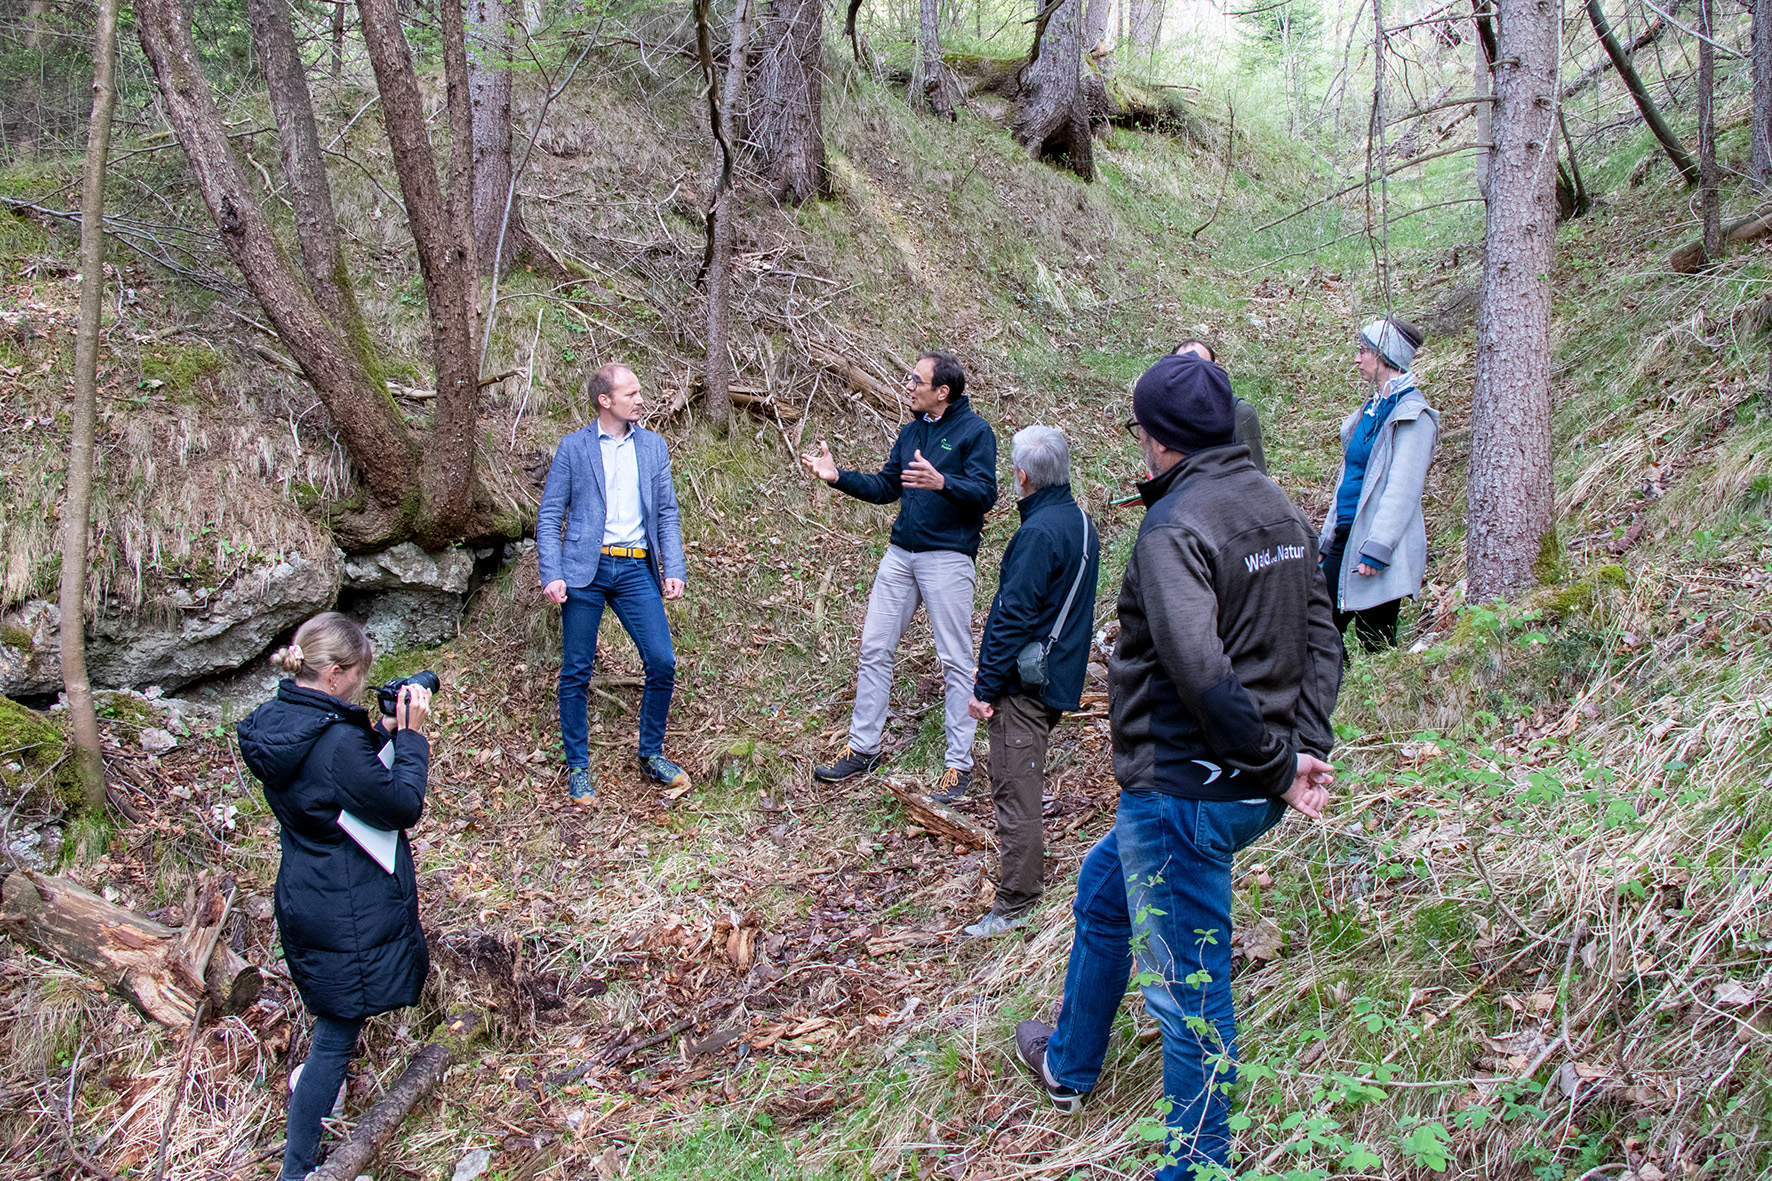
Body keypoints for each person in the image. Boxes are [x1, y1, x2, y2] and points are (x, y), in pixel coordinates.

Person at [1012, 353, 1342, 1177]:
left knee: (1190, 995)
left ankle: (1196, 1165)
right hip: (1239, 787)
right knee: (1101, 891)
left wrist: (1277, 764)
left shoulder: (1175, 528)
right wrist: (1304, 749)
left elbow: (1201, 672)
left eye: (1138, 430)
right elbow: (1325, 638)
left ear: (1158, 439)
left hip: (1187, 796)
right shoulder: (1277, 506)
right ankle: (1069, 1059)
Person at [235, 613, 433, 1181]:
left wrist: (381, 736)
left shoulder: (278, 723)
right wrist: (413, 741)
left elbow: (333, 786)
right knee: (334, 1039)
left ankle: (312, 1099)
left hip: (307, 891)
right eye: (359, 674)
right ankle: (297, 1170)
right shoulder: (335, 743)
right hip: (345, 907)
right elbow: (400, 805)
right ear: (338, 675)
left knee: (331, 1021)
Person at [801, 351, 998, 801]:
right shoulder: (911, 431)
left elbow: (985, 494)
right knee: (874, 649)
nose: (908, 385)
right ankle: (864, 747)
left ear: (942, 391)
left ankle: (957, 765)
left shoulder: (974, 431)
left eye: (916, 380)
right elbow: (888, 486)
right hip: (900, 556)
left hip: (947, 559)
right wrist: (837, 477)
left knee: (953, 660)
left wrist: (944, 483)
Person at [963, 425, 1100, 938]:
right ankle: (1019, 896)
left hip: (1025, 686)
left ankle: (1016, 903)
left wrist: (984, 687)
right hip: (1055, 675)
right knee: (1019, 786)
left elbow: (1013, 614)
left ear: (1021, 476)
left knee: (1015, 791)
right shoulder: (1080, 521)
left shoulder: (1039, 532)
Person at [537, 362, 690, 801]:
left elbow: (666, 513)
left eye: (639, 392)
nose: (641, 400)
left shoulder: (654, 447)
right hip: (584, 572)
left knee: (661, 662)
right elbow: (549, 517)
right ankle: (579, 767)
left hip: (636, 569)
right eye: (631, 394)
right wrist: (553, 573)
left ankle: (651, 754)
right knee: (576, 672)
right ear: (605, 401)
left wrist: (673, 568)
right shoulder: (573, 448)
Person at [1319, 317, 1439, 654]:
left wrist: (1378, 548)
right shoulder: (1370, 411)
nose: (1357, 359)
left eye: (1363, 351)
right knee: (1316, 627)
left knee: (1375, 643)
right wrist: (1327, 536)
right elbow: (1348, 477)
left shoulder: (1413, 416)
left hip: (1375, 546)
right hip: (1345, 538)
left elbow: (1403, 489)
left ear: (1384, 356)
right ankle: (1332, 695)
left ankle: (1373, 703)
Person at [1172, 338, 1266, 475]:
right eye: (1184, 368)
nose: (1193, 375)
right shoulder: (1169, 417)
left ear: (1215, 368)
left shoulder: (1240, 413)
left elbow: (1258, 480)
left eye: (1201, 367)